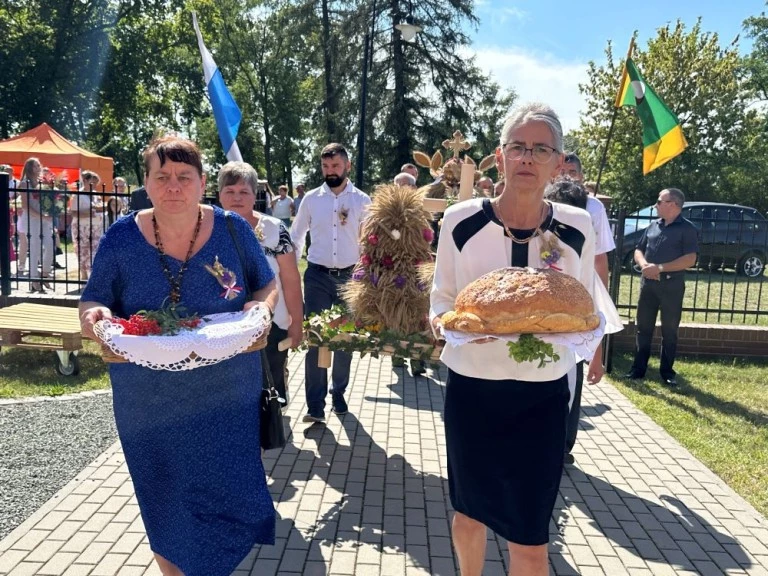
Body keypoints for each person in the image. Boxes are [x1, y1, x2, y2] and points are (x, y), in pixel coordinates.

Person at [79, 135, 278, 576]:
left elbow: (265, 283)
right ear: (145, 184)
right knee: (164, 497)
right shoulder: (121, 239)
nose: (173, 187)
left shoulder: (232, 229)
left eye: (184, 177)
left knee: (226, 495)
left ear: (202, 182)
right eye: (162, 177)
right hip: (149, 402)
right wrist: (94, 316)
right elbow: (93, 301)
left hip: (226, 394)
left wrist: (261, 307)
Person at [430, 102, 607, 576]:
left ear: (557, 161)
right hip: (473, 388)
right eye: (518, 147)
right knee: (469, 514)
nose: (528, 157)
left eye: (541, 149)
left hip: (543, 395)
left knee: (530, 537)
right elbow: (442, 300)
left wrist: (590, 344)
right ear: (500, 155)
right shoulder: (460, 220)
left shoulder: (577, 225)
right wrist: (447, 325)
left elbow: (585, 308)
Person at [291, 143, 371, 423]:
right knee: (316, 338)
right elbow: (297, 235)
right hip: (316, 277)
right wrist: (288, 267)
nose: (330, 171)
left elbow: (369, 242)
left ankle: (339, 392)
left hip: (350, 279)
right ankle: (315, 405)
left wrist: (367, 276)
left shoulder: (362, 201)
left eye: (335, 166)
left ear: (347, 166)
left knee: (345, 339)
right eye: (325, 167)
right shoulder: (312, 199)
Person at [218, 161, 304, 407]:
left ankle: (268, 435)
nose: (237, 198)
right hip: (223, 324)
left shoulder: (276, 229)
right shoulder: (207, 228)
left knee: (270, 387)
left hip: (272, 321)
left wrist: (296, 322)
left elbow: (290, 278)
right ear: (219, 193)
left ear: (254, 194)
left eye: (244, 191)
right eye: (230, 191)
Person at [558, 153, 616, 465]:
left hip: (579, 292)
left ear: (581, 175)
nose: (567, 175)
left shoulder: (593, 208)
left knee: (571, 369)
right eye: (562, 170)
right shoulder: (542, 197)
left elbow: (600, 257)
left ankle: (564, 444)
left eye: (572, 171)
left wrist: (598, 298)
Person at [625, 187, 698, 386]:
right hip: (648, 285)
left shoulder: (687, 229)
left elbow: (690, 259)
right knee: (643, 328)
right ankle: (638, 369)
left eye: (659, 201)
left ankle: (667, 372)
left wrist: (661, 268)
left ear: (673, 205)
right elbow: (639, 249)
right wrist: (644, 266)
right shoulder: (653, 225)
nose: (656, 205)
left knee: (670, 330)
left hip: (671, 286)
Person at [19, 157, 53, 291]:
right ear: (29, 168)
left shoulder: (42, 182)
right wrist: (41, 215)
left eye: (39, 165)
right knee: (34, 248)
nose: (38, 168)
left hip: (44, 218)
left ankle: (44, 273)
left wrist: (51, 211)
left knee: (50, 244)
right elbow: (25, 206)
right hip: (31, 219)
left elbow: (47, 200)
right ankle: (34, 279)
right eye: (35, 166)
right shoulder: (24, 183)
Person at [71, 171, 105, 282]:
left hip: (95, 227)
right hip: (81, 227)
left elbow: (99, 207)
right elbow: (73, 212)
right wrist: (89, 212)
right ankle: (83, 273)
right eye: (92, 182)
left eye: (96, 183)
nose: (94, 185)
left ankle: (93, 275)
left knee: (95, 250)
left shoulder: (96, 194)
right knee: (82, 250)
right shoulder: (78, 195)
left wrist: (100, 208)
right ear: (85, 181)